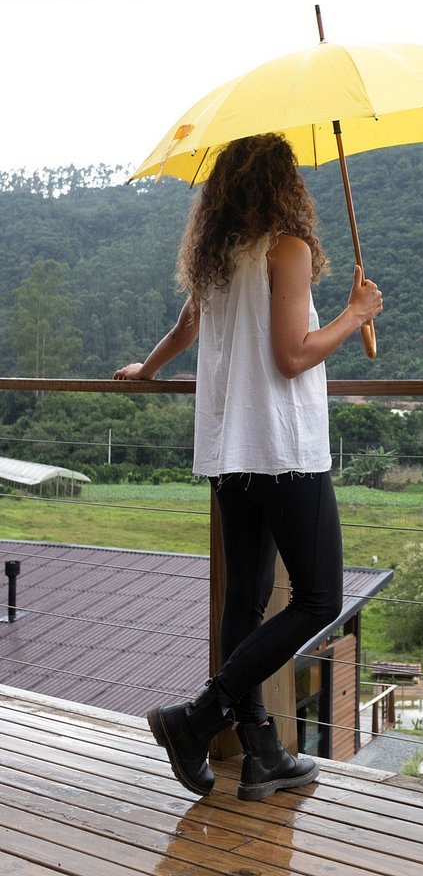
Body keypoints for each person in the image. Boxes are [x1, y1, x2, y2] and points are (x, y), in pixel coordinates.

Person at [114, 133, 383, 800]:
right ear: (283, 182)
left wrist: (146, 370)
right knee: (319, 597)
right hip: (284, 452)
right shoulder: (286, 249)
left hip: (232, 454)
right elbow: (294, 356)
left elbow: (185, 328)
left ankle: (261, 752)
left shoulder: (220, 257)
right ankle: (198, 718)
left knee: (248, 598)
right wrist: (356, 314)